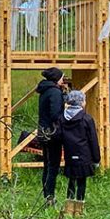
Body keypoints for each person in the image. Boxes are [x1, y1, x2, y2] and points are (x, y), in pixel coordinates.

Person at [60, 89, 100, 216]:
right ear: (81, 102)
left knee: (71, 180)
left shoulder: (62, 118)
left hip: (69, 154)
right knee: (82, 182)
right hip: (84, 154)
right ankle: (79, 209)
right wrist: (96, 158)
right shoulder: (87, 118)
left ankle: (68, 208)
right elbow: (93, 139)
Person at [36, 67, 65, 204]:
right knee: (53, 165)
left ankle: (46, 194)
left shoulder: (45, 90)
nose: (63, 80)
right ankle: (50, 196)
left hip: (43, 130)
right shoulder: (55, 92)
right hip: (52, 132)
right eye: (62, 77)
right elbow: (55, 113)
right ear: (57, 79)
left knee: (47, 164)